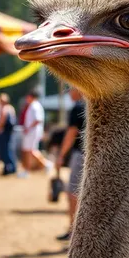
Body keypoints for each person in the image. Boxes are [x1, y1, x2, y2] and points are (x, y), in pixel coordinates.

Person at [55, 87, 85, 241]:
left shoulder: (78, 107)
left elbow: (71, 133)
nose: (69, 93)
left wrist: (61, 155)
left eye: (71, 89)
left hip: (81, 154)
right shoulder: (93, 104)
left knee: (73, 192)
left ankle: (74, 230)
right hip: (94, 156)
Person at [19, 89, 49, 178]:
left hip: (32, 132)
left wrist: (28, 128)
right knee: (31, 151)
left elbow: (37, 120)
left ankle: (27, 171)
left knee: (30, 151)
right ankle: (46, 164)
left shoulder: (34, 106)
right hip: (31, 132)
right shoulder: (34, 105)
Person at [0, 93, 17, 176]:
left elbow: (2, 120)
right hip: (10, 133)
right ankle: (12, 167)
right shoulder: (11, 108)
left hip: (5, 133)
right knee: (10, 149)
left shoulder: (5, 108)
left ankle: (8, 168)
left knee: (6, 150)